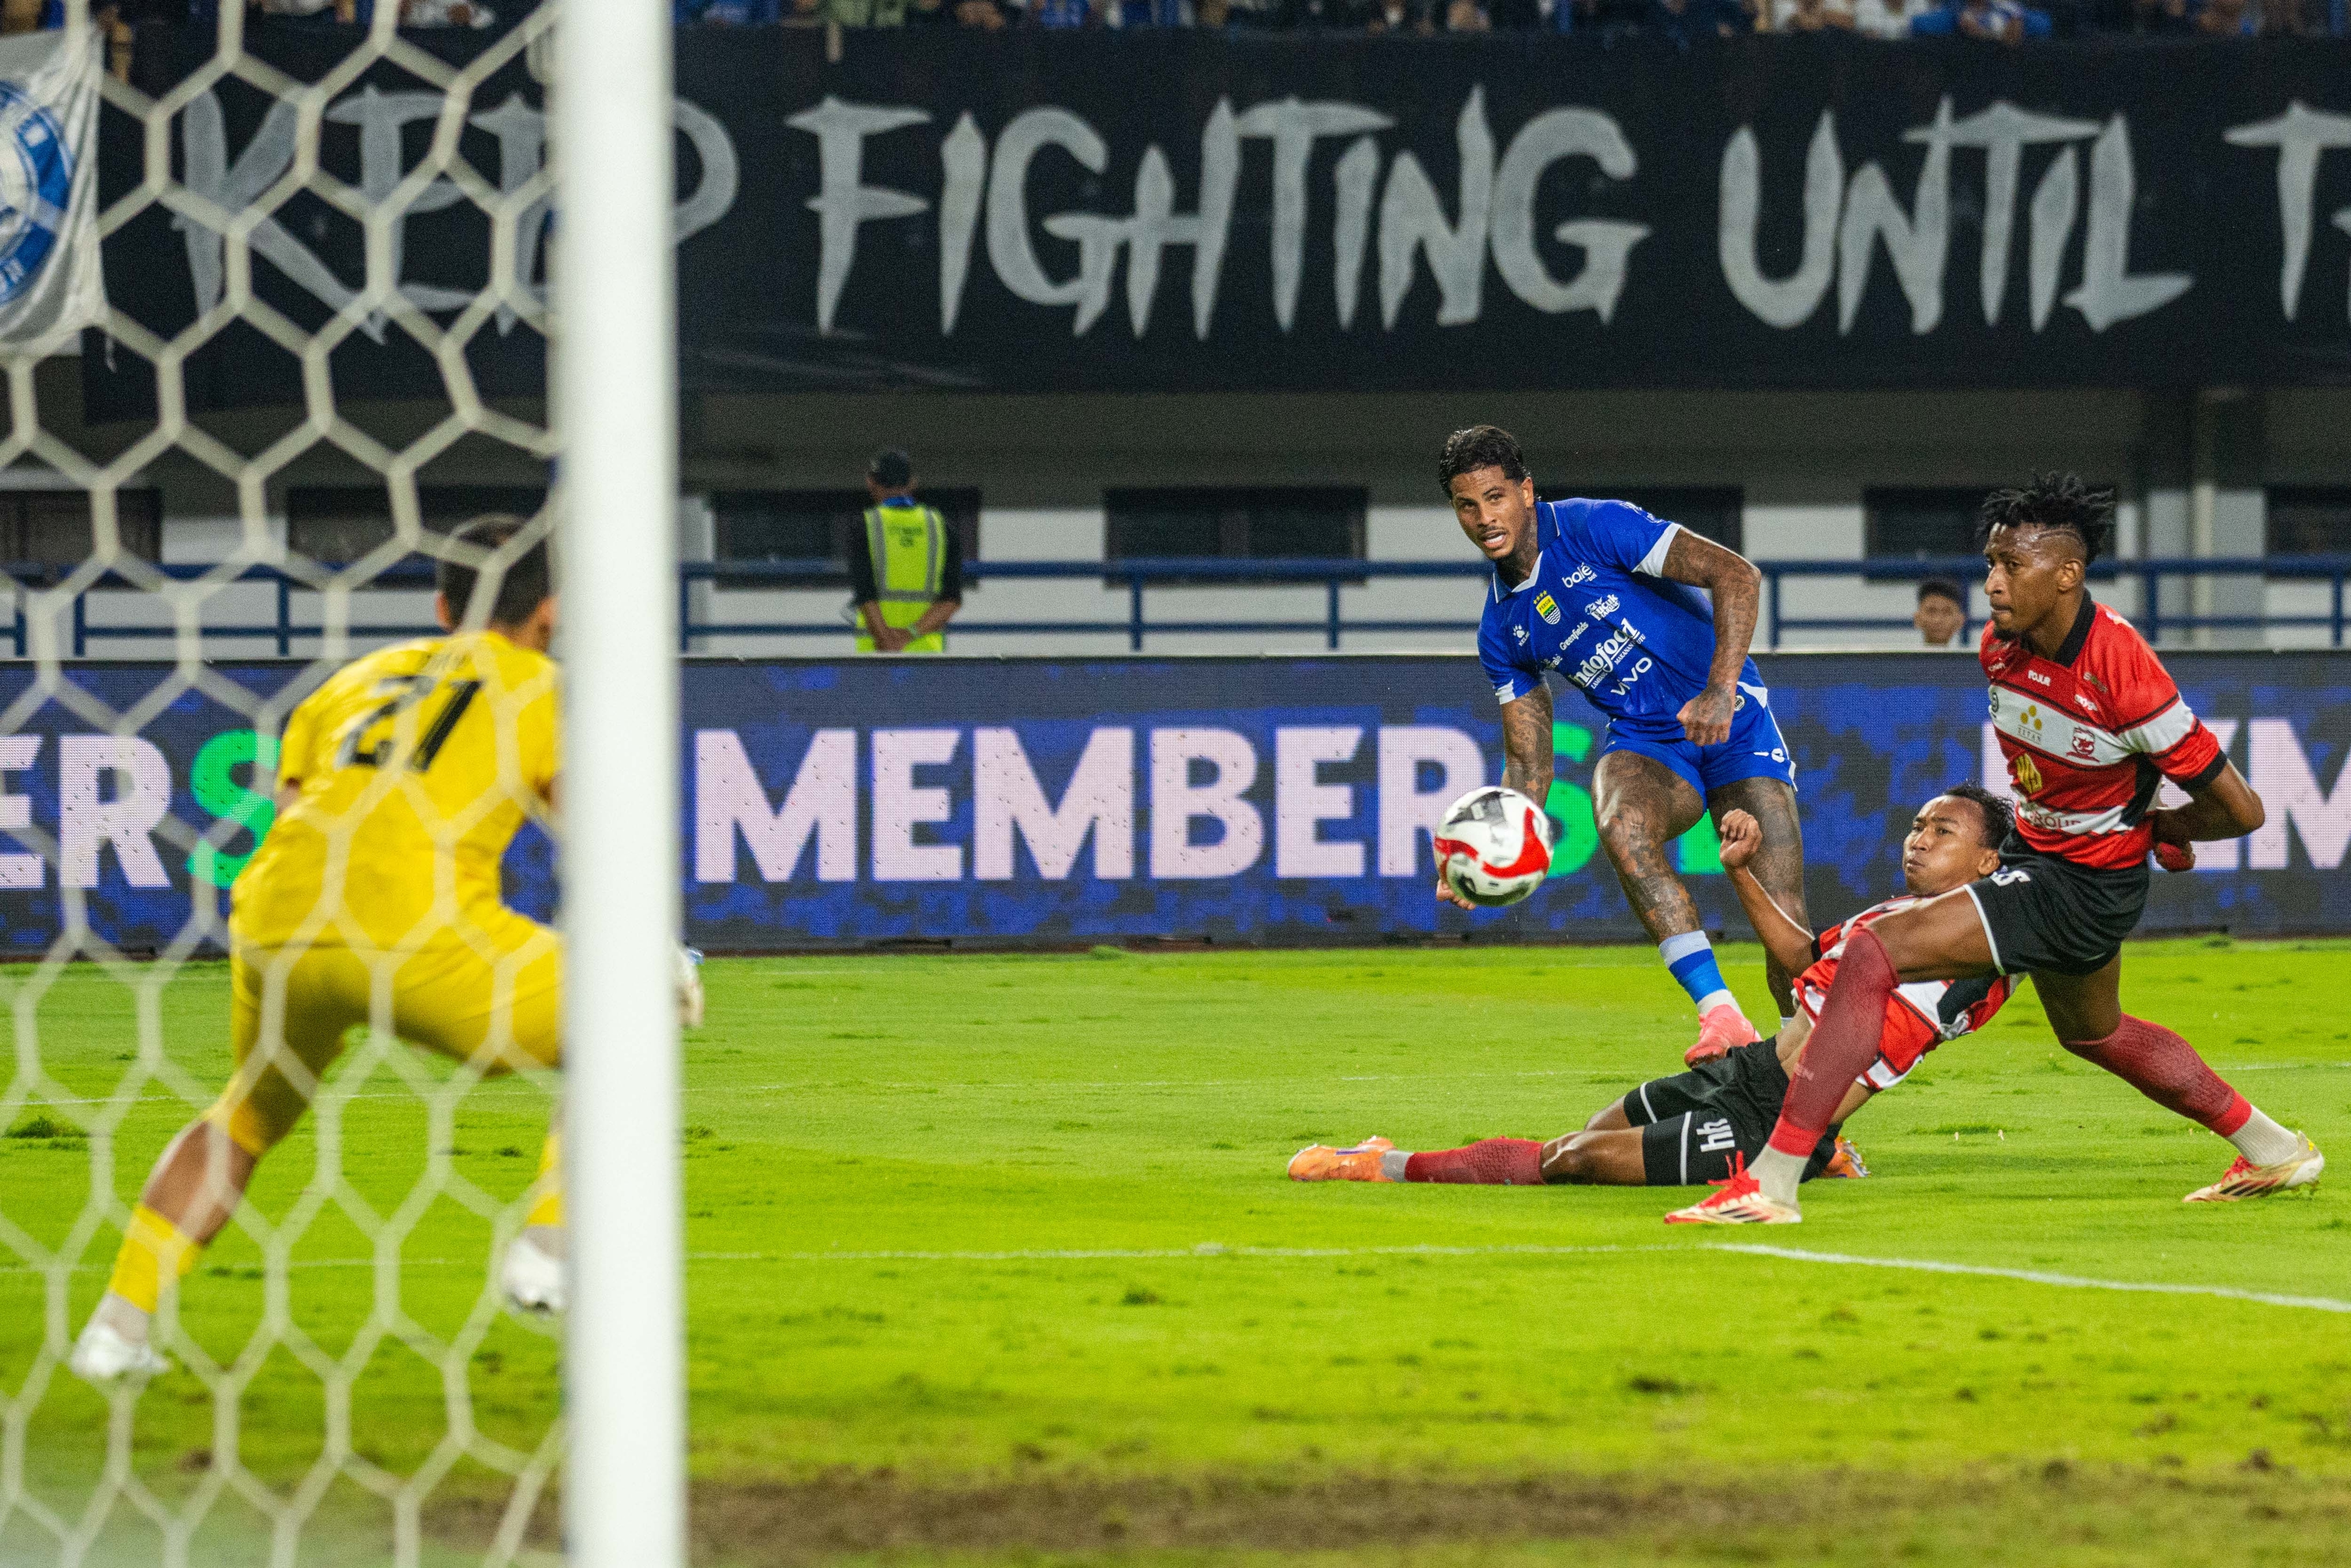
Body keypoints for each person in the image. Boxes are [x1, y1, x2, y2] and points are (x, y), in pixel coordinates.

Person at [68, 517, 703, 1382]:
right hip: (419, 929)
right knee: (631, 1024)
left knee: (246, 1117)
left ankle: (118, 1329)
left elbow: (297, 806)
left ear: (442, 603)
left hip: (276, 920)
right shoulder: (541, 688)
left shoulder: (352, 683)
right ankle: (549, 1252)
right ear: (553, 610)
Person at [1670, 474, 2324, 1225]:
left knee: (1873, 953)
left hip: (2078, 884)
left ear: (2068, 574)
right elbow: (2076, 770)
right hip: (2046, 859)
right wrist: (2130, 814)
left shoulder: (2124, 672)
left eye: (2013, 565)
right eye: (1992, 561)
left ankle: (1773, 1182)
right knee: (2095, 1031)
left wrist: (2167, 827)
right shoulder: (1999, 648)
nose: (1993, 582)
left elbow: (2242, 808)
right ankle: (2274, 1149)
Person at [1292, 787, 2015, 1190]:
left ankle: (1371, 1166)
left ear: (1987, 861)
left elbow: (1880, 1041)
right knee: (1591, 1130)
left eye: (1942, 830)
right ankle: (1825, 1153)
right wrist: (1741, 871)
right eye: (1917, 823)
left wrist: (1806, 1131)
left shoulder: (1976, 955)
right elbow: (1801, 956)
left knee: (1570, 1161)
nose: (1917, 838)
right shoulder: (1894, 916)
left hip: (1776, 1117)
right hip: (1751, 1067)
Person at [1443, 424, 1806, 1067]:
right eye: (1467, 505)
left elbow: (1737, 575)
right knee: (1620, 821)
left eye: (1495, 497)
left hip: (1736, 721)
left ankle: (1804, 1066)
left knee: (1789, 937)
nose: (1484, 518)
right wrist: (1491, 850)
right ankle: (1720, 1013)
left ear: (1526, 492)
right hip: (1649, 743)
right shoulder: (1501, 628)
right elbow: (1530, 759)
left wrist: (1721, 688)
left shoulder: (1595, 526)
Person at [849, 450, 964, 654]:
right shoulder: (941, 526)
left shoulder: (865, 526)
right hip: (927, 653)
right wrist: (908, 635)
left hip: (875, 654)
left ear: (870, 482)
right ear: (912, 483)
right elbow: (951, 600)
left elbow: (865, 594)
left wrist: (887, 641)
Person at [1914, 577, 1967, 647]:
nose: (1938, 620)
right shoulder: (1903, 658)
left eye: (1947, 612)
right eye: (1931, 611)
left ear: (1960, 621)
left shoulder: (1975, 658)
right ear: (1918, 619)